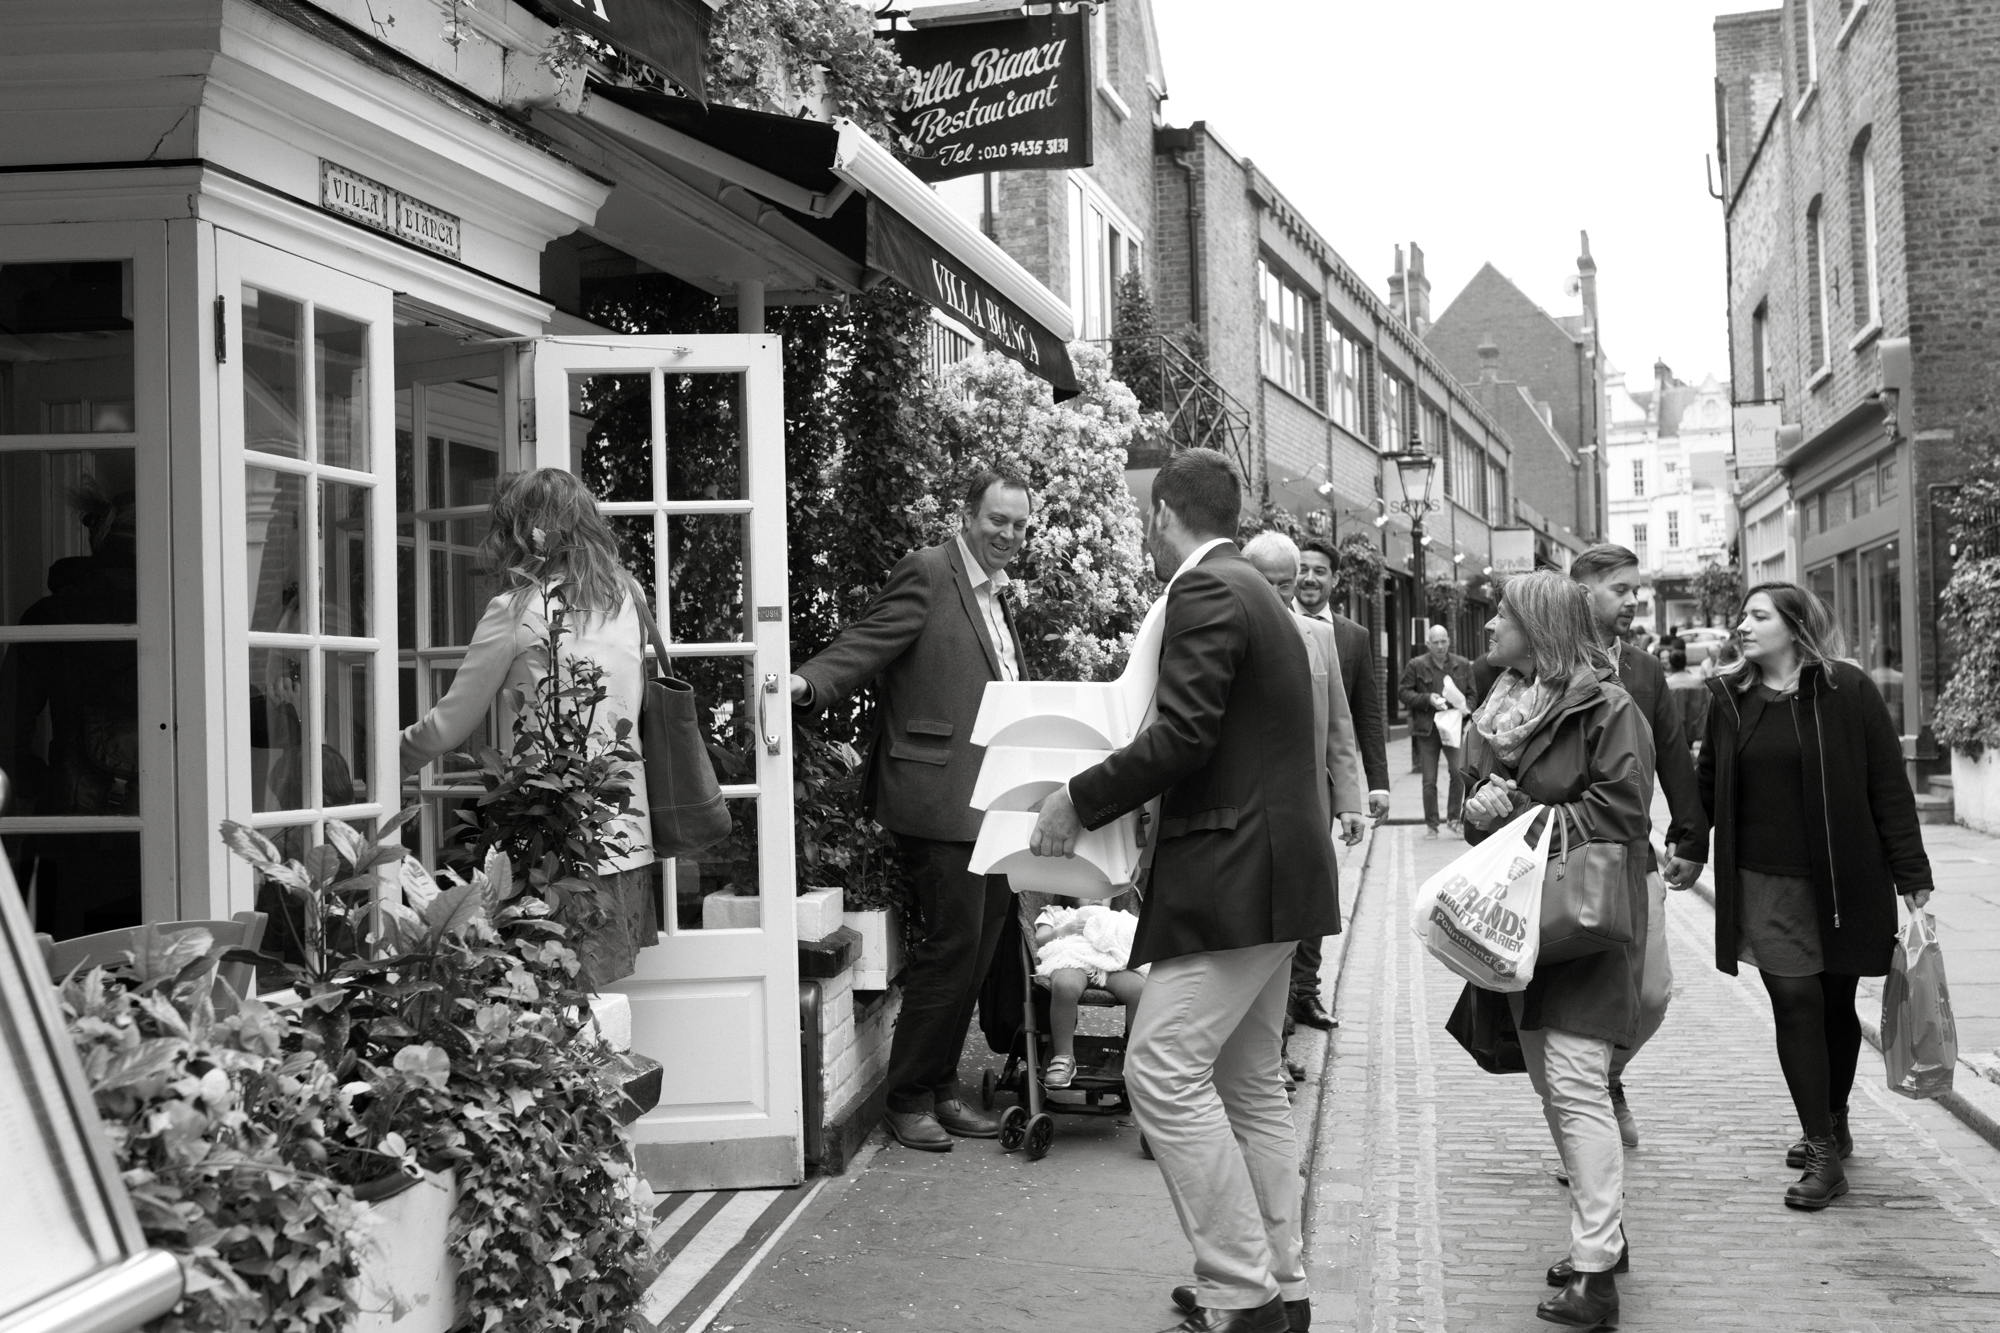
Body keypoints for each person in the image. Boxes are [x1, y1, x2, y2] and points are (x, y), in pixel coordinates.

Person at [1030, 448, 1337, 1333]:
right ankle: (1282, 1278)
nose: (1143, 537)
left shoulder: (1205, 592)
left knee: (1157, 1068)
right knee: (1248, 1085)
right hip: (1273, 877)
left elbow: (1187, 733)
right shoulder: (1256, 591)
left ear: (1166, 513)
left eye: (1144, 520)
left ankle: (1242, 1288)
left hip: (1236, 879)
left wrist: (1076, 797)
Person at [787, 470, 1031, 1152]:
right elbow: (869, 641)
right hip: (937, 798)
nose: (1009, 536)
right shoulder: (929, 571)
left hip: (992, 801)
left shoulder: (997, 595)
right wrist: (807, 685)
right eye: (998, 521)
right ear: (967, 514)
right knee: (952, 947)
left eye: (1019, 525)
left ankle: (943, 1083)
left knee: (980, 948)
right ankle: (906, 1095)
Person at [1697, 583, 1935, 1210]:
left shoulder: (1846, 690)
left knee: (1835, 1004)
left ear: (1795, 626)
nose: (1742, 625)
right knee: (1795, 1000)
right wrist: (1688, 846)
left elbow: (1888, 786)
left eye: (1758, 615)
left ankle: (1832, 1119)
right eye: (1742, 615)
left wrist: (1912, 876)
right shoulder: (1729, 696)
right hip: (1764, 881)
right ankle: (1824, 1154)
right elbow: (1705, 784)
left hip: (1844, 878)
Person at [1458, 571, 1652, 1331]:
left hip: (1584, 924)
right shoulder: (1504, 708)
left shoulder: (1607, 706)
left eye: (1500, 616)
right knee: (1553, 1086)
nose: (1489, 628)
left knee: (1574, 1084)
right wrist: (1481, 808)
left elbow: (1623, 808)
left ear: (1536, 626)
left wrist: (1527, 811)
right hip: (1519, 923)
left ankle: (1597, 1273)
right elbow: (1483, 810)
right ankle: (1602, 1234)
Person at [400, 468, 656, 990]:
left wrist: (386, 761)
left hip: (551, 835)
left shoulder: (517, 609)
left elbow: (447, 728)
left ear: (521, 531)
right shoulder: (627, 597)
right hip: (624, 837)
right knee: (581, 1003)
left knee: (545, 1001)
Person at [1570, 545, 1708, 1150]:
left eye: (1636, 590)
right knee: (1576, 1006)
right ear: (1583, 593)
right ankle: (1586, 1116)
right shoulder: (1550, 663)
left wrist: (1690, 833)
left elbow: (1675, 756)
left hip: (1634, 857)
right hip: (1566, 861)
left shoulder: (1646, 671)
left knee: (1651, 995)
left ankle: (1611, 1078)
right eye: (1620, 589)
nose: (1633, 601)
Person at [1244, 532, 1369, 1044]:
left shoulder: (1317, 637)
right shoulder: (1230, 634)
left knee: (1304, 913)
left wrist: (1351, 802)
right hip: (1250, 808)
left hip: (1307, 804)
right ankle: (1266, 1046)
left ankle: (1284, 1025)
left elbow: (1341, 725)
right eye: (1266, 584)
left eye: (1286, 584)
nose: (1278, 595)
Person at [1293, 536, 1389, 1032]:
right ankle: (1284, 995)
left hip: (1327, 785)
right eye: (1302, 569)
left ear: (1334, 580)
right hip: (1282, 778)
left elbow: (1365, 715)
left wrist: (1376, 784)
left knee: (1317, 888)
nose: (1309, 578)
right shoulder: (1272, 622)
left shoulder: (1351, 637)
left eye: (1319, 571)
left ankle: (1304, 992)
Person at [1031, 896, 1146, 1089]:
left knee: (1140, 990)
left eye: (1104, 891)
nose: (1097, 896)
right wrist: (1062, 931)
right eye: (1087, 891)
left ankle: (1137, 1061)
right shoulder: (1058, 911)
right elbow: (1040, 939)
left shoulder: (1116, 916)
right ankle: (1063, 1057)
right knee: (1065, 986)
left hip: (1110, 960)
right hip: (1073, 957)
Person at [1399, 624, 1476, 839]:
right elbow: (1403, 692)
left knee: (1457, 773)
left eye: (1444, 641)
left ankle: (1454, 819)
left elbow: (1472, 694)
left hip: (1452, 727)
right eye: (1436, 642)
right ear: (1428, 644)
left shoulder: (1461, 664)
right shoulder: (1416, 665)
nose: (1440, 646)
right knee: (1429, 779)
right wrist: (1427, 699)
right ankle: (1432, 825)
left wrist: (1465, 709)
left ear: (1449, 641)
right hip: (1427, 729)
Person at [1662, 647, 1709, 758]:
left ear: (1671, 663)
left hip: (1676, 728)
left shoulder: (1667, 683)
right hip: (1695, 727)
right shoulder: (1697, 682)